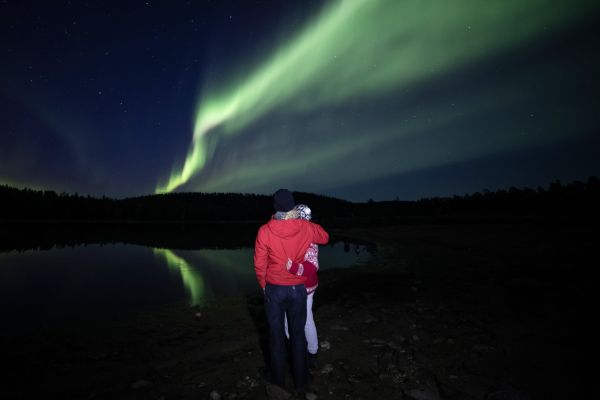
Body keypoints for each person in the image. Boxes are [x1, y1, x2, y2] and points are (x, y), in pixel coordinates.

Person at [254, 189, 329, 394]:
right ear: (293, 207)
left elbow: (260, 265)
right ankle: (302, 381)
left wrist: (263, 286)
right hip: (298, 289)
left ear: (275, 208)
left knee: (276, 335)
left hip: (275, 290)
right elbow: (324, 236)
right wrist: (305, 222)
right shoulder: (305, 227)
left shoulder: (265, 231)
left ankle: (277, 380)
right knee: (297, 334)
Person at [283, 204, 320, 369]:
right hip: (290, 285)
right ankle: (293, 347)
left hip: (306, 288)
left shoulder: (310, 238)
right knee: (286, 318)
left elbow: (312, 267)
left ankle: (312, 352)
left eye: (295, 218)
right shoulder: (292, 235)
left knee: (306, 320)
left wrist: (293, 268)